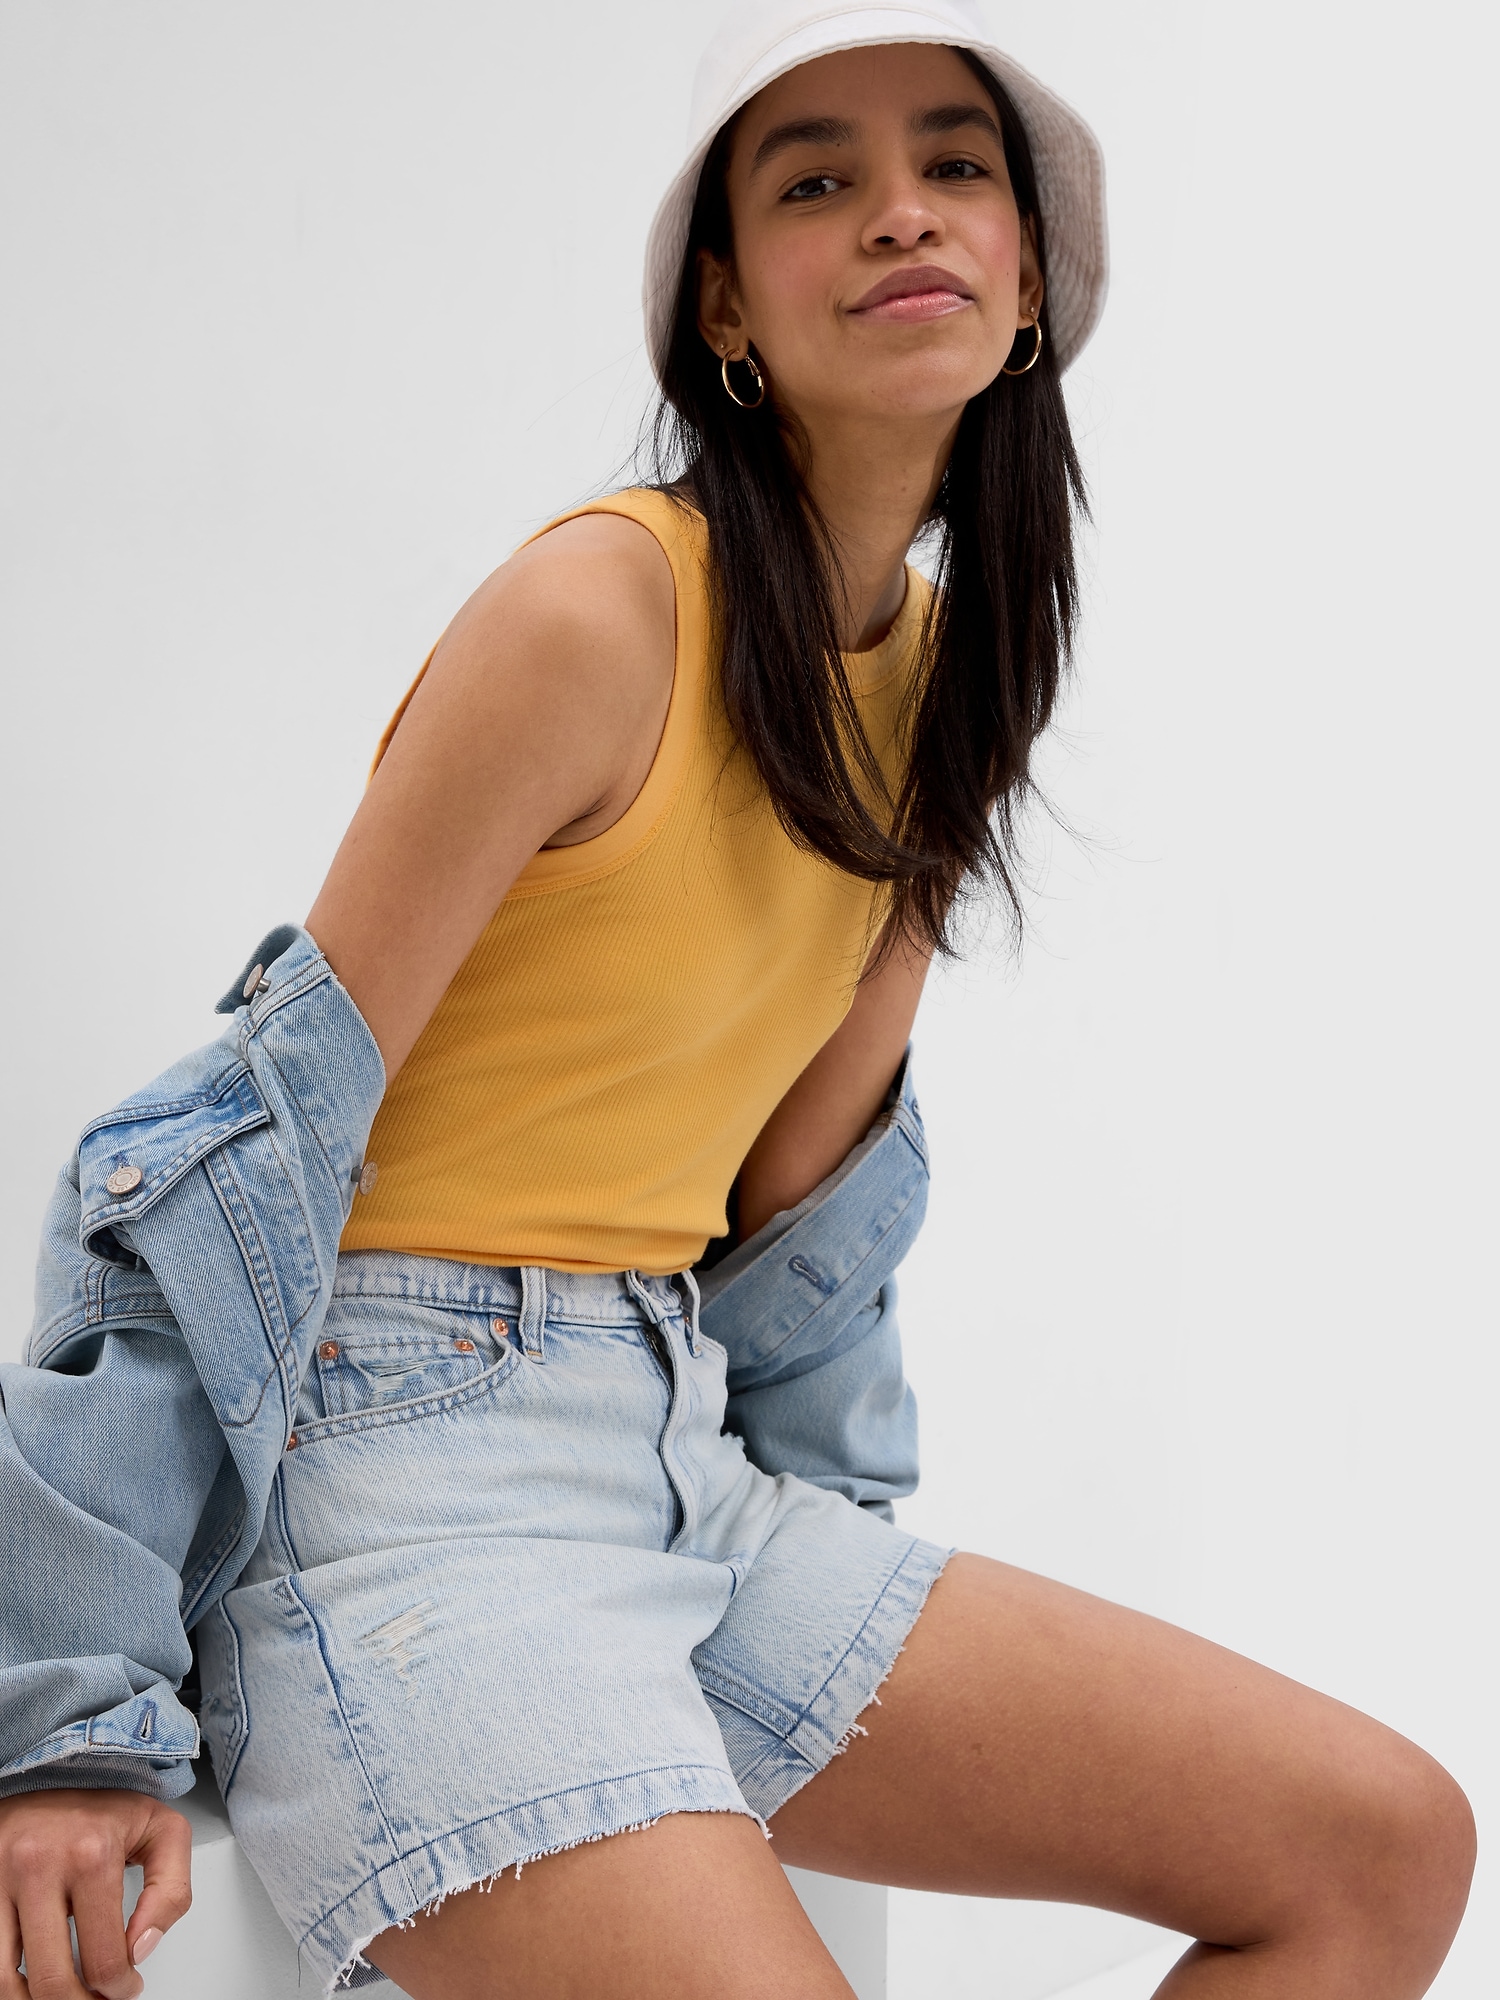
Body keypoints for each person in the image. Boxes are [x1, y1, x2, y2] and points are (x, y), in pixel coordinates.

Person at [0, 3, 1475, 1997]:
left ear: (1030, 278)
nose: (901, 214)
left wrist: (843, 1546)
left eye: (956, 167)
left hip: (676, 1460)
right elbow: (225, 1150)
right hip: (392, 1486)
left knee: (1378, 1850)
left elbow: (800, 1197)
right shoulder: (597, 610)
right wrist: (70, 1709)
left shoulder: (950, 678)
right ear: (725, 308)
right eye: (816, 181)